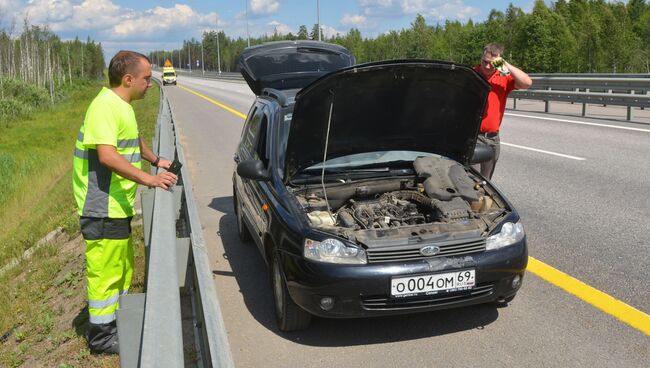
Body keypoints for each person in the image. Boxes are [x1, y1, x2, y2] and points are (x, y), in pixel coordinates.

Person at [72, 50, 177, 354]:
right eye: (146, 78)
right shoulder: (103, 107)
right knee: (105, 273)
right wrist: (149, 179)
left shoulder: (122, 106)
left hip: (116, 205)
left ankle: (117, 322)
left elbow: (132, 140)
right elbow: (107, 155)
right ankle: (101, 338)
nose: (150, 83)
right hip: (101, 207)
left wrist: (157, 160)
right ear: (128, 79)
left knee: (120, 267)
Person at [473, 43, 532, 179]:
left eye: (492, 63)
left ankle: (483, 200)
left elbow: (527, 83)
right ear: (481, 57)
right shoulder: (472, 74)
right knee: (472, 181)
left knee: (486, 183)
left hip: (492, 138)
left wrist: (505, 64)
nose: (487, 66)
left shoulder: (503, 77)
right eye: (484, 61)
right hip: (473, 136)